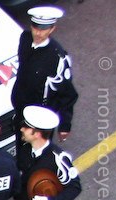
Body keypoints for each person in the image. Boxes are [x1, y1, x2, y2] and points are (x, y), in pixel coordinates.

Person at [11, 6, 78, 158]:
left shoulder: (57, 58)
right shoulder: (25, 39)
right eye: (35, 27)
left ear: (52, 29)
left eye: (43, 29)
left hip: (39, 116)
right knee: (21, 151)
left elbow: (67, 93)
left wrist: (65, 124)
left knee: (36, 157)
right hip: (22, 110)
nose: (38, 33)